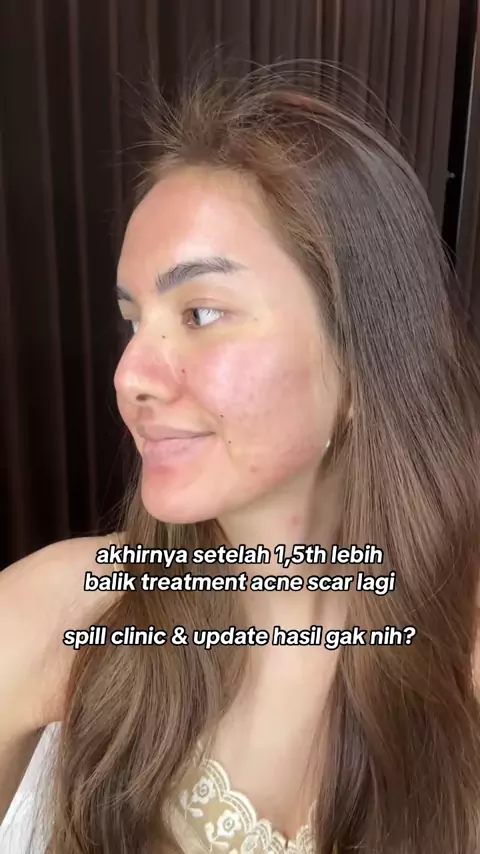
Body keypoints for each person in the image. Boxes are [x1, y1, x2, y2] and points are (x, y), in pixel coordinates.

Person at [1, 62, 480, 854]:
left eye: (200, 313)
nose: (128, 376)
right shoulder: (63, 612)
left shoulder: (461, 651)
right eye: (133, 322)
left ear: (364, 363)